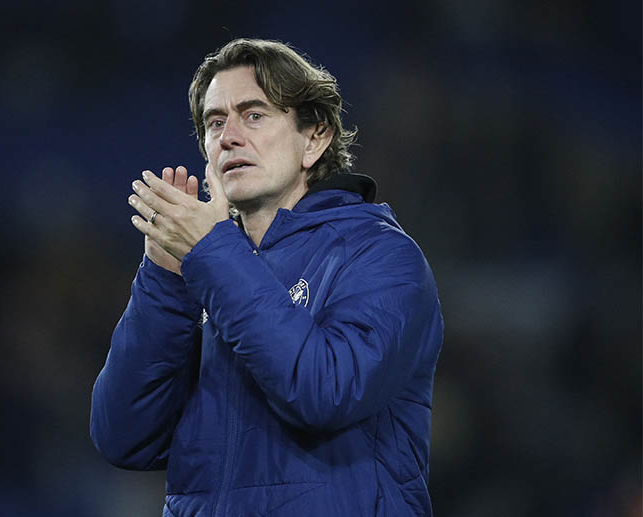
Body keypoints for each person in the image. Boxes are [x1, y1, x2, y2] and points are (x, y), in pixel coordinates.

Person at [91, 38, 443, 516]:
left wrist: (212, 254)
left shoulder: (379, 255)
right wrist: (165, 281)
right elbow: (123, 437)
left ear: (314, 139)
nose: (229, 137)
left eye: (254, 115)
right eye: (215, 123)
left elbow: (325, 392)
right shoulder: (206, 267)